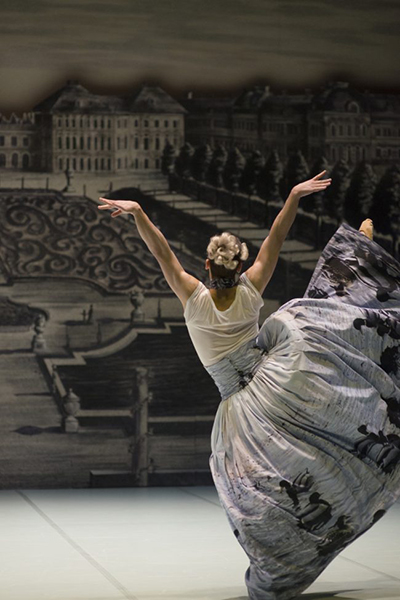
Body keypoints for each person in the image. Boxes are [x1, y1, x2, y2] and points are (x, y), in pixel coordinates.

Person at [98, 171, 400, 600]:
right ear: (239, 267)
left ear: (207, 266)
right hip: (277, 379)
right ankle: (360, 264)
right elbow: (276, 237)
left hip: (240, 408)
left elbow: (162, 252)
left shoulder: (192, 296)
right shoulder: (252, 287)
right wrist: (293, 195)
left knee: (262, 494)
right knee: (325, 337)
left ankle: (282, 566)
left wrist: (138, 213)